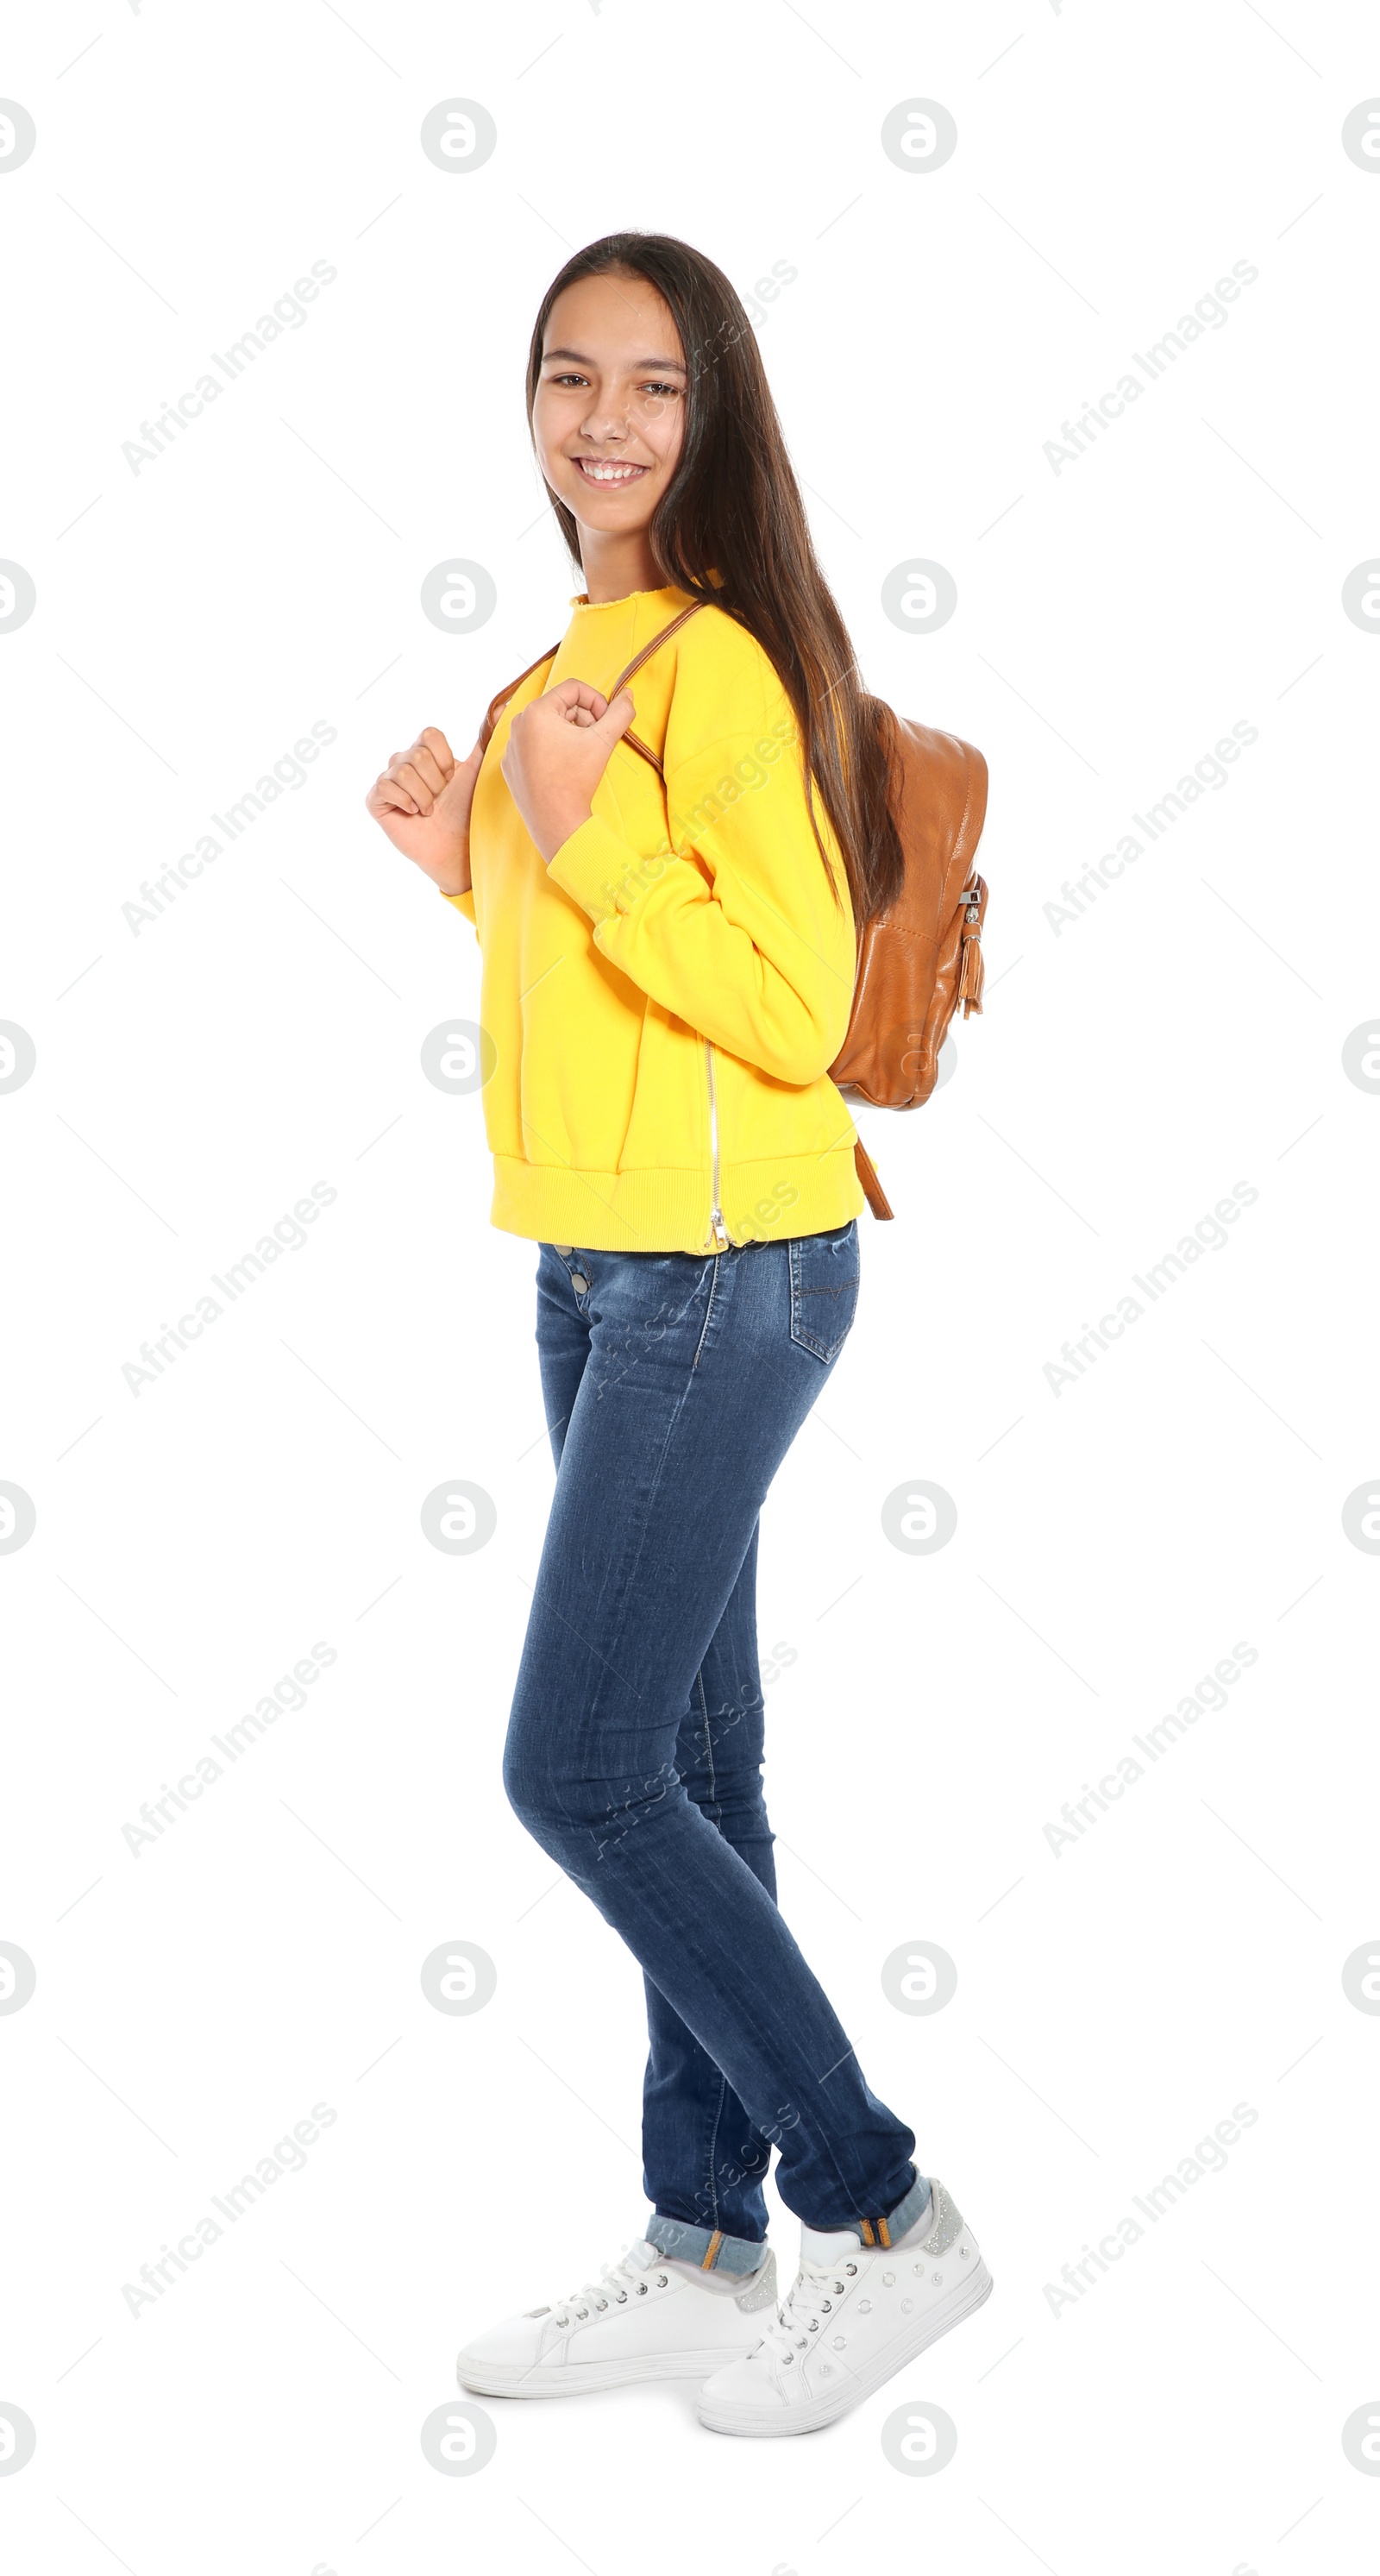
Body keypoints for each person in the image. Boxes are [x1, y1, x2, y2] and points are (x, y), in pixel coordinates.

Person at [365, 232, 991, 2436]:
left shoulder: (717, 661)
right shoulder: (582, 646)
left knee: (580, 1766)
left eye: (650, 385)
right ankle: (707, 2239)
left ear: (713, 415)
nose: (603, 421)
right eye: (566, 379)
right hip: (598, 1254)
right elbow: (625, 958)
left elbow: (788, 998)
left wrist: (580, 836)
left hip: (724, 1270)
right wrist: (475, 862)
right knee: (693, 1768)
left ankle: (881, 2208)